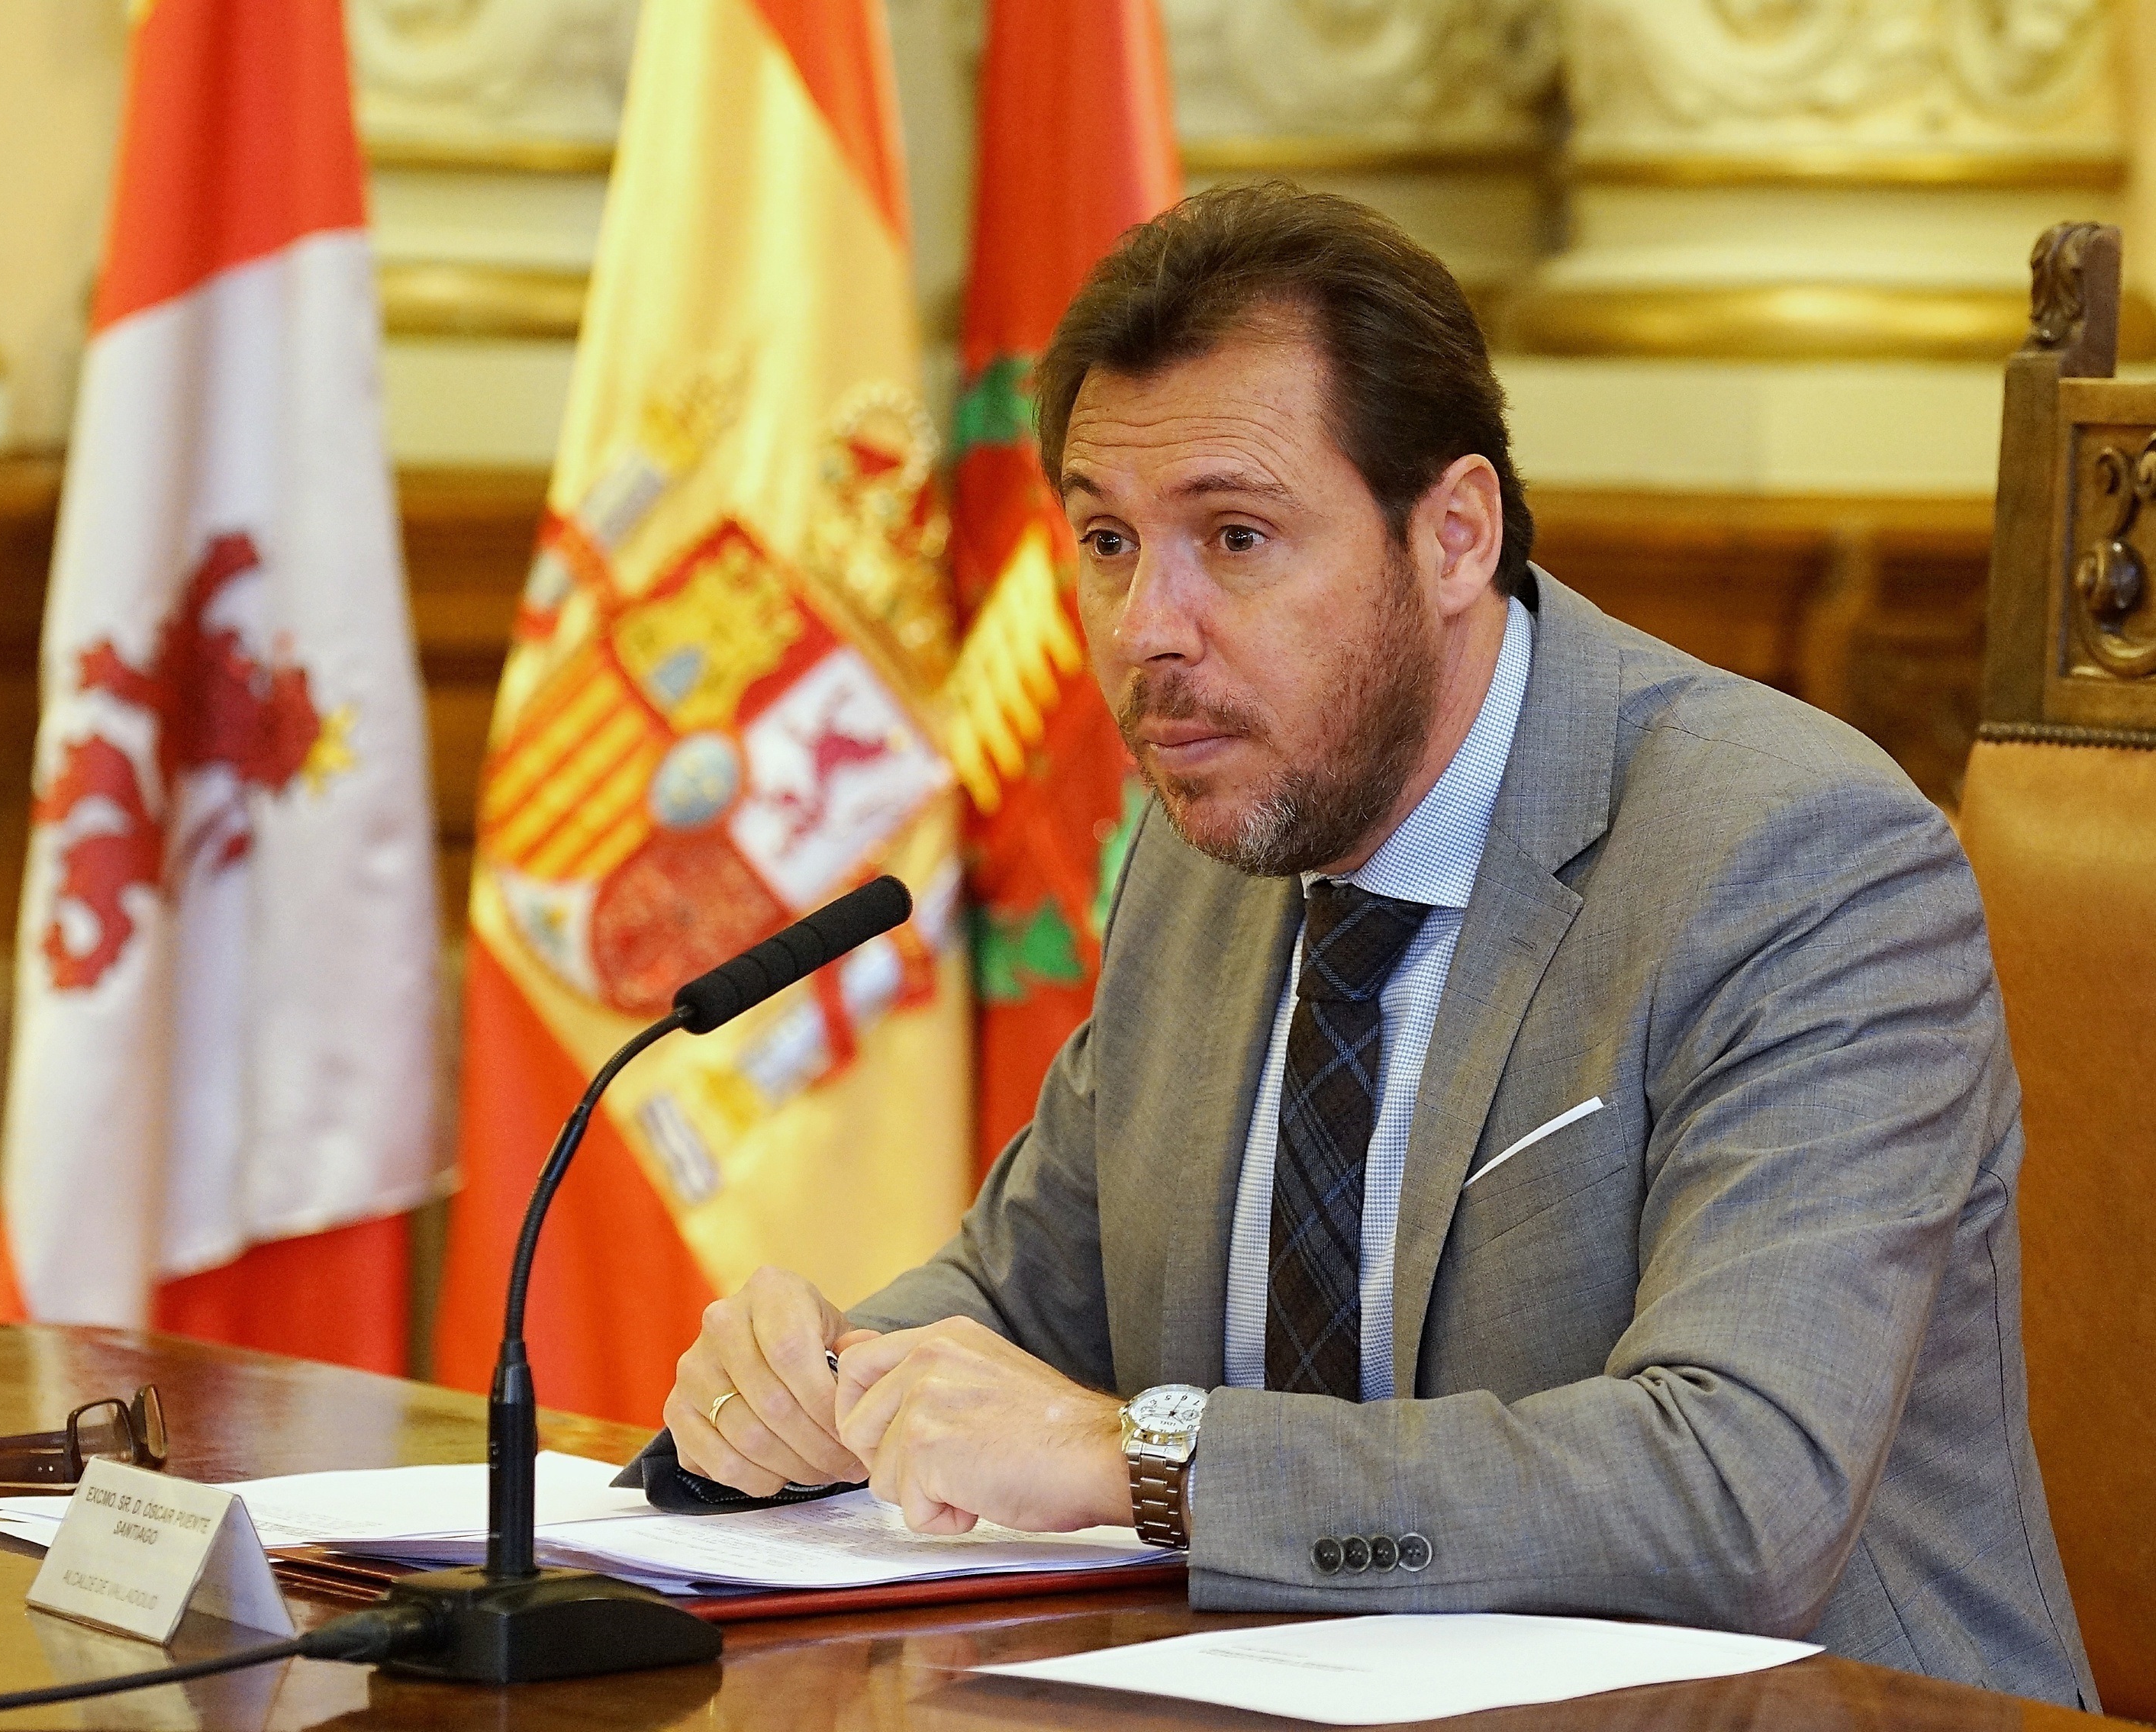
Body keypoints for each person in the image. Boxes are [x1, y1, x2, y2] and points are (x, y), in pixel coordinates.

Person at [656, 183, 2096, 1706]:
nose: (1148, 627)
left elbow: (1735, 1494)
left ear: (1456, 534)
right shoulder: (1212, 840)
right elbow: (1026, 1295)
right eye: (1108, 541)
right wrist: (817, 1379)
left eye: (1236, 535)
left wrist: (1139, 1460)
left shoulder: (1792, 857)